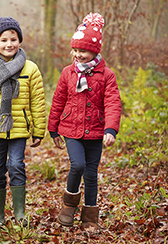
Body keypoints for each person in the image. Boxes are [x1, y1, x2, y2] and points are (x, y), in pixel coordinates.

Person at [48, 13, 121, 230]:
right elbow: (58, 100)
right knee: (77, 165)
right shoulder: (67, 73)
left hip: (96, 131)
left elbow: (113, 102)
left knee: (91, 174)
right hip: (71, 129)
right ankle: (68, 206)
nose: (78, 55)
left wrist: (110, 129)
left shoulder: (107, 75)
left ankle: (90, 216)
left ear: (95, 51)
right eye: (76, 50)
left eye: (83, 51)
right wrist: (53, 129)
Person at [0, 17, 46, 227]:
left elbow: (38, 101)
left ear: (19, 41)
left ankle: (20, 214)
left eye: (13, 39)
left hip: (19, 129)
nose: (9, 44)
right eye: (4, 40)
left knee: (16, 166)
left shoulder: (30, 68)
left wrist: (39, 130)